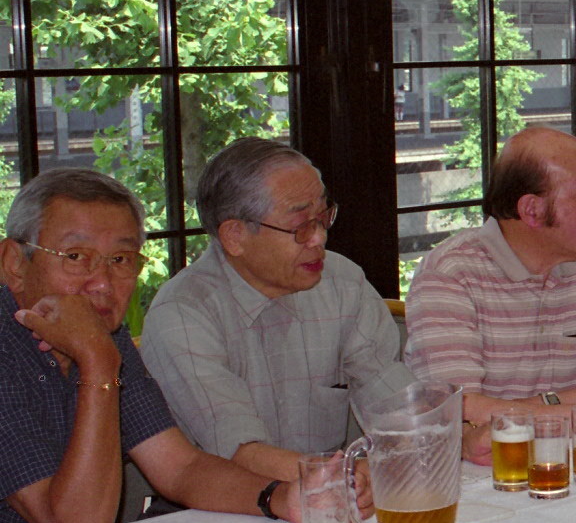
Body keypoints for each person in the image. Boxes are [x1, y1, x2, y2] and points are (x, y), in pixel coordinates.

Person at [1, 168, 301, 523]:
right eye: (75, 257)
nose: (102, 283)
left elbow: (179, 468)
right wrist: (98, 363)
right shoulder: (89, 344)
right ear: (14, 264)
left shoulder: (100, 334)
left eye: (120, 259)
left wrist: (281, 498)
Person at [141, 139, 416, 485]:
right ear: (235, 236)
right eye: (300, 227)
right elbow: (239, 452)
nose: (319, 239)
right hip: (224, 506)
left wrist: (453, 438)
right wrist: (344, 477)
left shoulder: (342, 283)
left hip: (331, 494)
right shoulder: (182, 315)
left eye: (323, 217)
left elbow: (395, 402)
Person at [406, 127, 576, 462]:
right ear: (532, 210)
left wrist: (520, 410)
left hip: (575, 458)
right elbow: (455, 409)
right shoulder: (450, 274)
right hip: (486, 470)